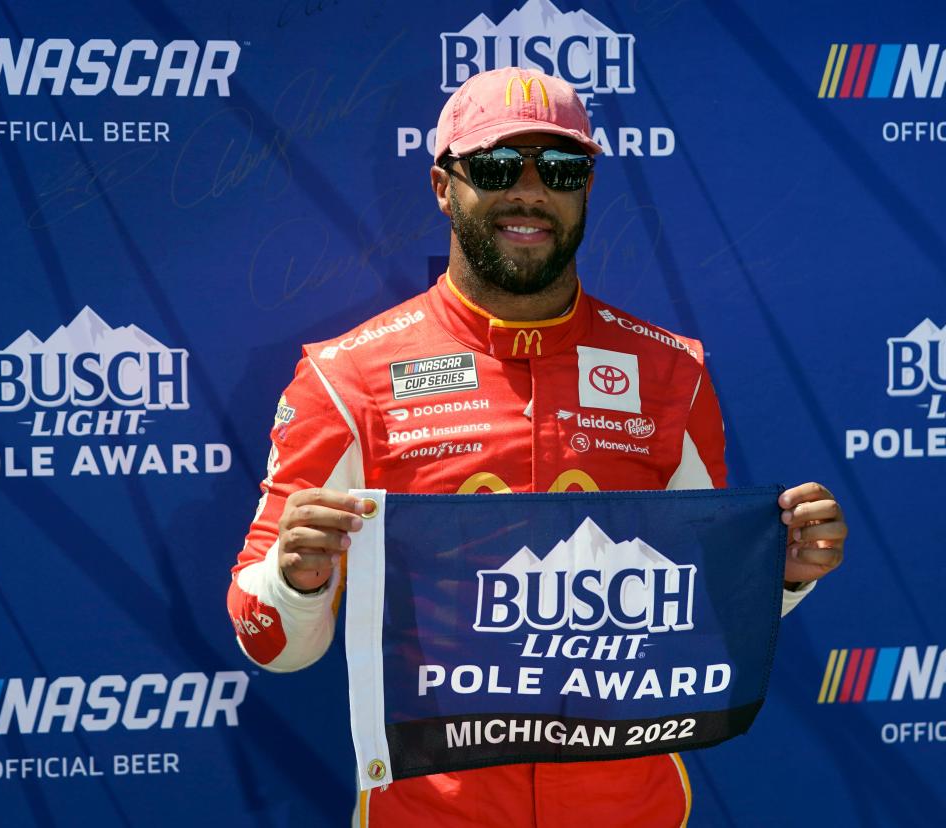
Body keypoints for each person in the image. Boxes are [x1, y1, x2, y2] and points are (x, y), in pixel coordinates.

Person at [227, 66, 847, 827]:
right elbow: (272, 646)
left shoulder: (671, 373)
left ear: (585, 186)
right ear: (441, 186)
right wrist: (295, 582)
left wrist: (778, 578)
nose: (530, 192)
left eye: (559, 168)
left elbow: (701, 615)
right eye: (493, 166)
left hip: (634, 810)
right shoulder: (346, 377)